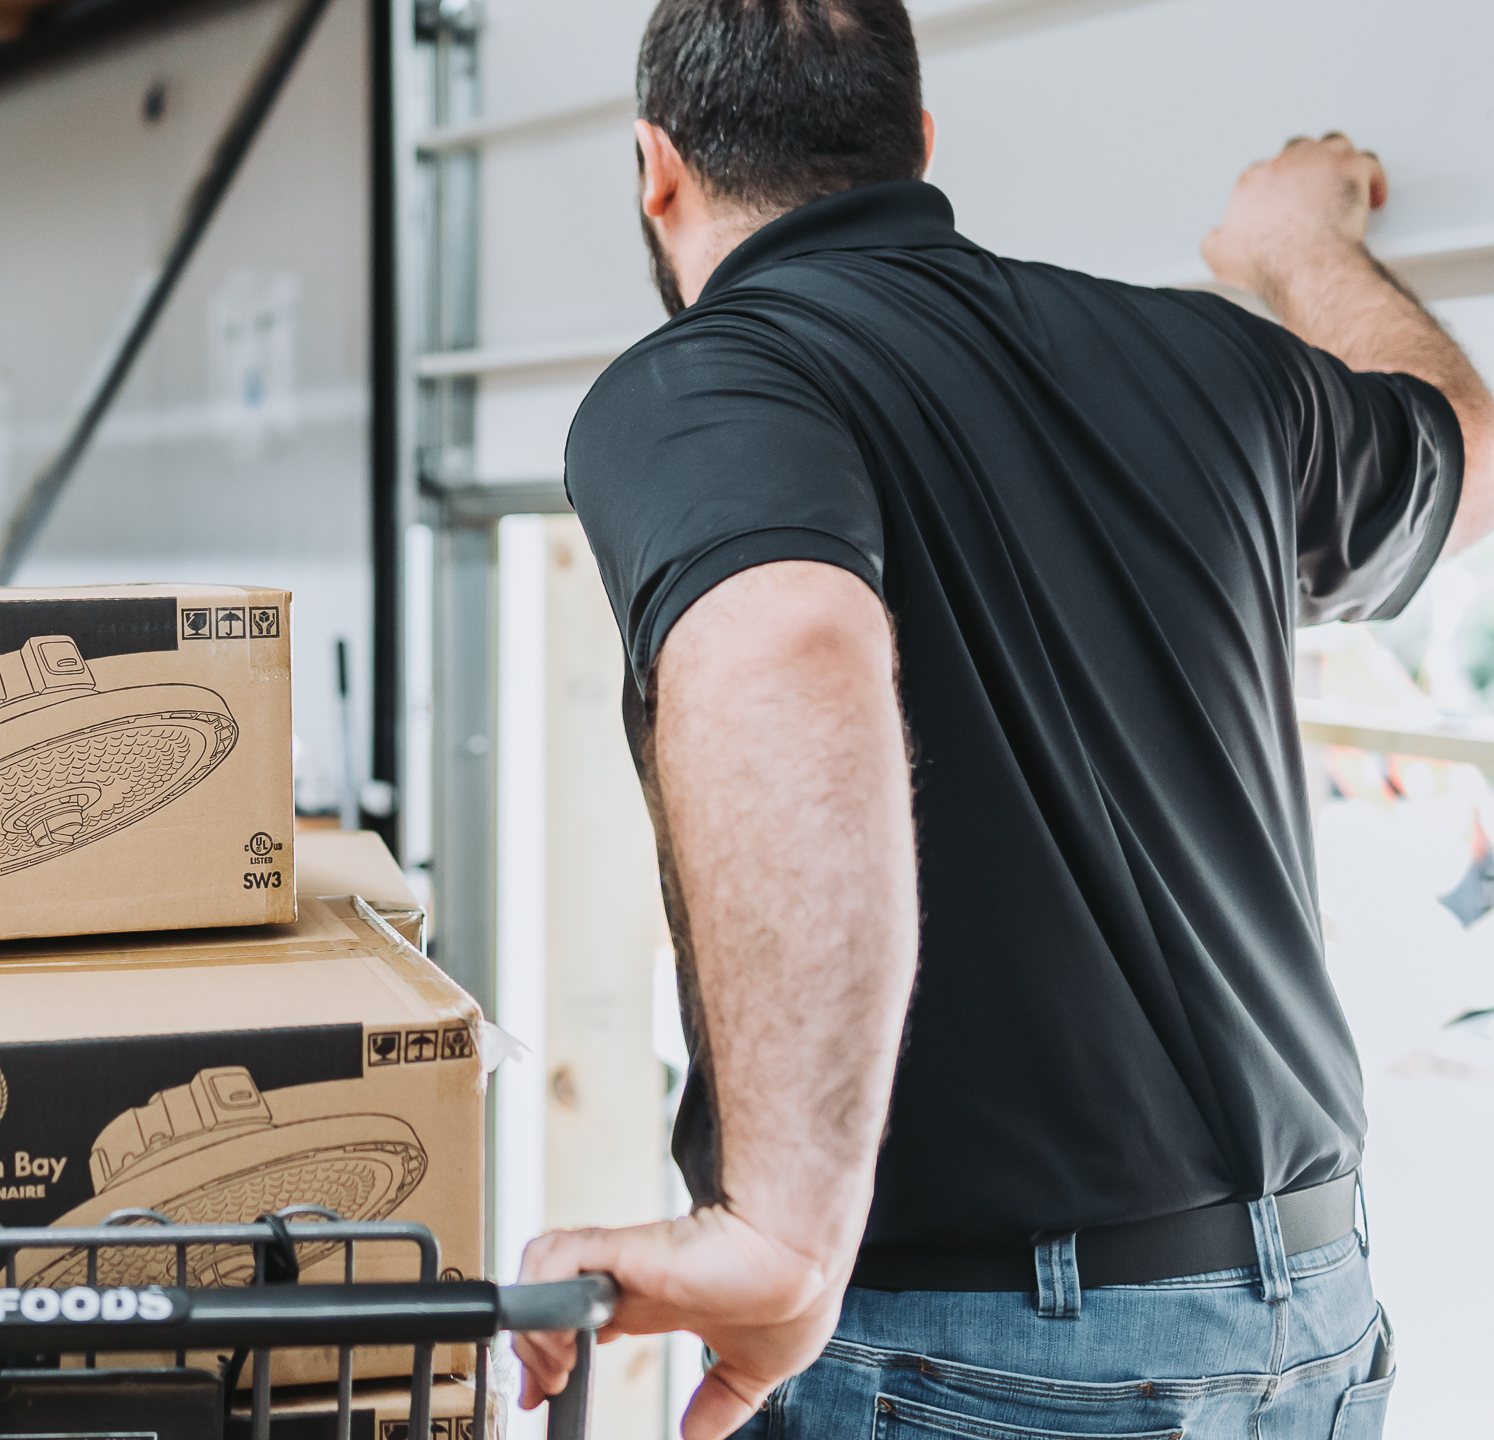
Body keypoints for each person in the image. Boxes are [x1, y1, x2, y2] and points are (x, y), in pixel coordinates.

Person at [510, 1, 1494, 1437]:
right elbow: (1461, 450)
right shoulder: (1212, 365)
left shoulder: (705, 383)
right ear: (917, 143)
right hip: (1317, 1316)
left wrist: (782, 1232)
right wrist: (1302, 252)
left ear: (655, 168)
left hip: (983, 1359)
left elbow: (785, 637)